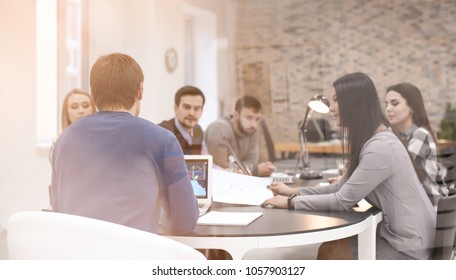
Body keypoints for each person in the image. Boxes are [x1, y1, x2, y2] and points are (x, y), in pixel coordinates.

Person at [262, 72, 436, 260]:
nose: (331, 108)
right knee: (330, 248)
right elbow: (340, 188)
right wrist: (293, 191)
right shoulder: (375, 139)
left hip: (411, 248)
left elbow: (343, 200)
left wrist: (290, 202)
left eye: (336, 100)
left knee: (330, 252)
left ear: (354, 103)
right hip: (408, 239)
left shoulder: (380, 147)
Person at [51, 53, 199, 234]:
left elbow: (58, 210)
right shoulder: (162, 140)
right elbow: (184, 222)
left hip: (77, 256)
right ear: (140, 90)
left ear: (92, 93)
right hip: (134, 257)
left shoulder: (63, 141)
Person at [385, 82, 448, 208]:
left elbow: (395, 171)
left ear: (412, 107)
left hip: (432, 211)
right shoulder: (400, 136)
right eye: (386, 104)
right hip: (417, 210)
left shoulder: (420, 135)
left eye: (394, 103)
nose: (388, 108)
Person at [205, 95, 276, 177]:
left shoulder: (251, 130)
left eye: (257, 119)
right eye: (249, 118)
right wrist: (255, 170)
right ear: (236, 116)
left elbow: (252, 162)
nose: (254, 125)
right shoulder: (218, 129)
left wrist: (248, 168)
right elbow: (221, 169)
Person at [159, 85, 208, 155]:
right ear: (176, 108)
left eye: (197, 108)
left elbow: (202, 161)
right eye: (187, 107)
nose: (192, 113)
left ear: (202, 111)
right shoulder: (163, 133)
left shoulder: (198, 131)